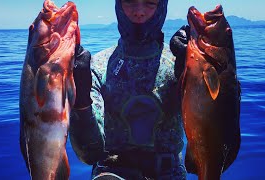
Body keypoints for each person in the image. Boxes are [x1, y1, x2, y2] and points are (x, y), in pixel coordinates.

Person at [70, 0, 189, 179]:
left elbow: (213, 128)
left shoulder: (182, 62)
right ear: (118, 6)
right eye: (129, 2)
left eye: (150, 3)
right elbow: (88, 154)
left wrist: (197, 74)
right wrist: (79, 98)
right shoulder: (95, 67)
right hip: (110, 172)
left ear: (162, 7)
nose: (139, 11)